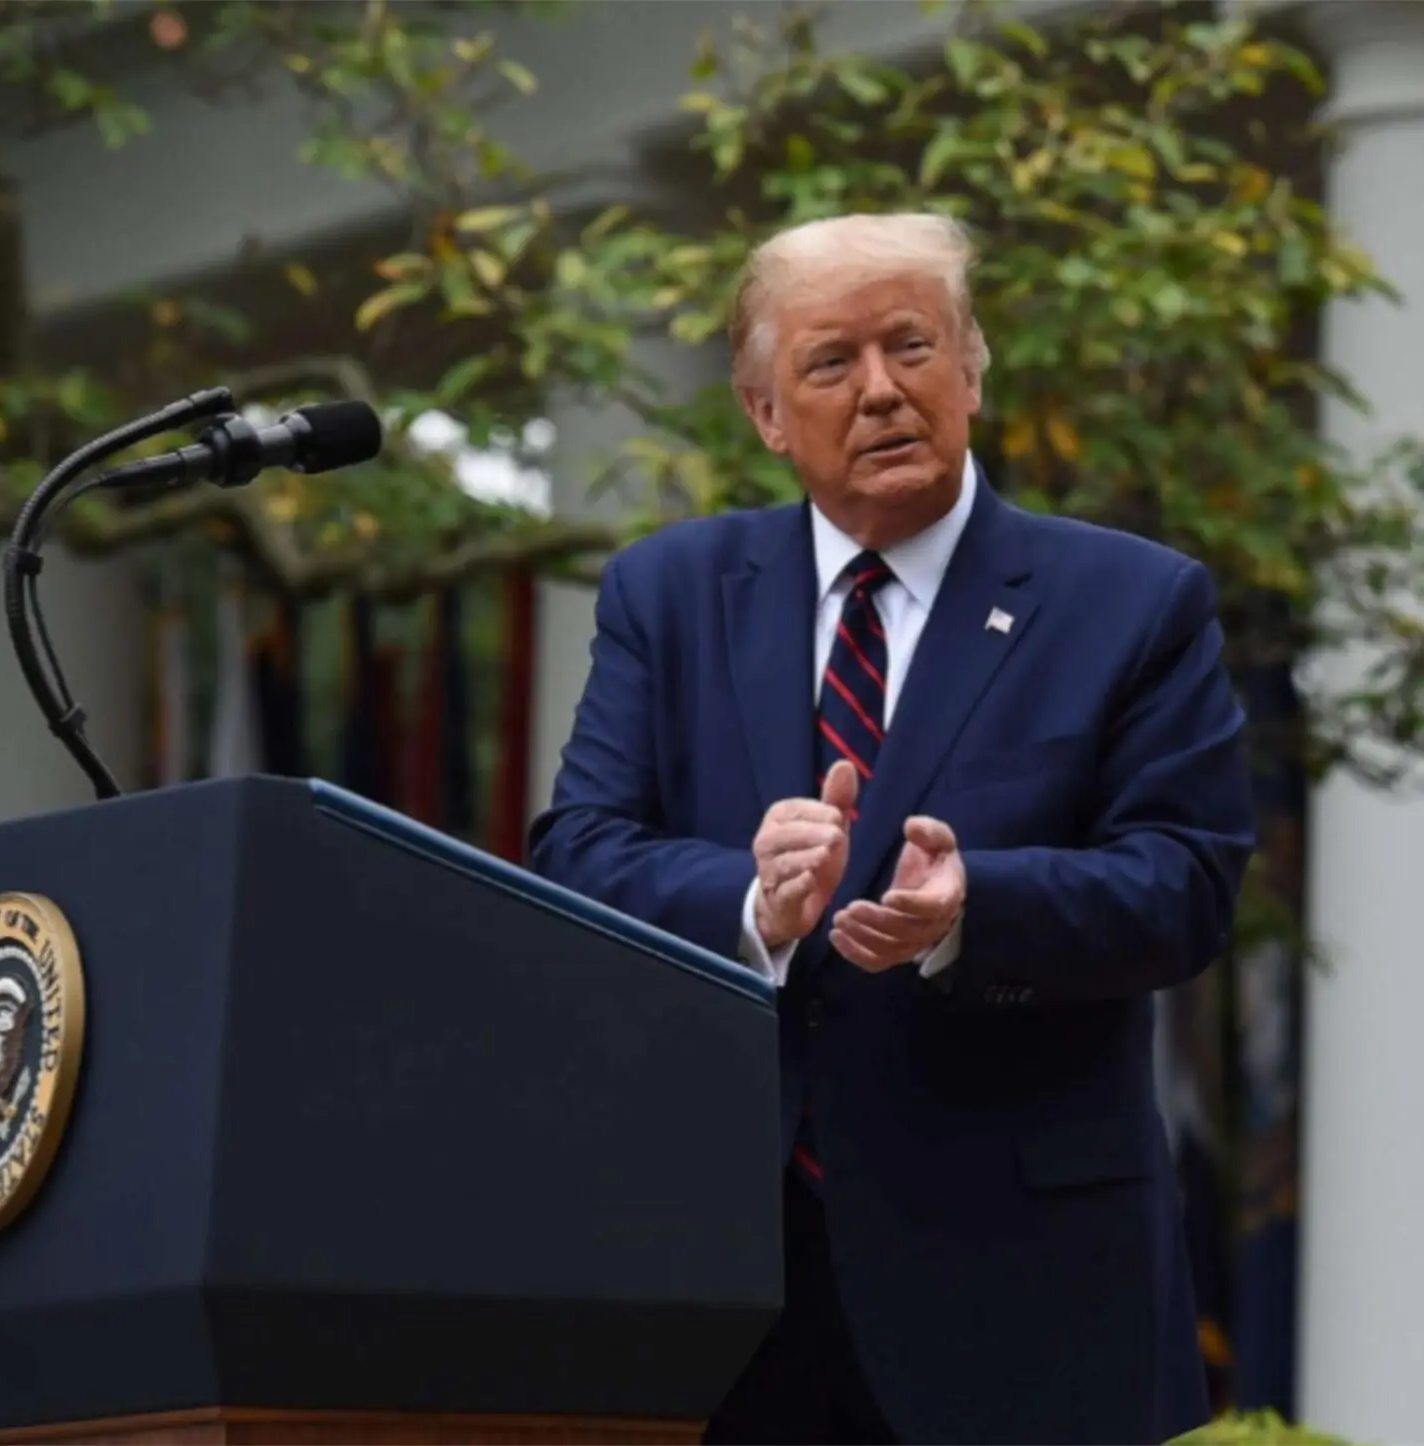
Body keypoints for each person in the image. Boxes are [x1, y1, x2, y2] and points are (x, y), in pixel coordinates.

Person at [529, 210, 1256, 1446]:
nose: (880, 392)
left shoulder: (1131, 601)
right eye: (830, 363)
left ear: (972, 369)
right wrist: (752, 906)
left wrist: (979, 907)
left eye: (911, 347)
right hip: (727, 1286)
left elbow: (1184, 883)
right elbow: (578, 852)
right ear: (765, 413)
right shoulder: (670, 591)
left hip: (1024, 1292)